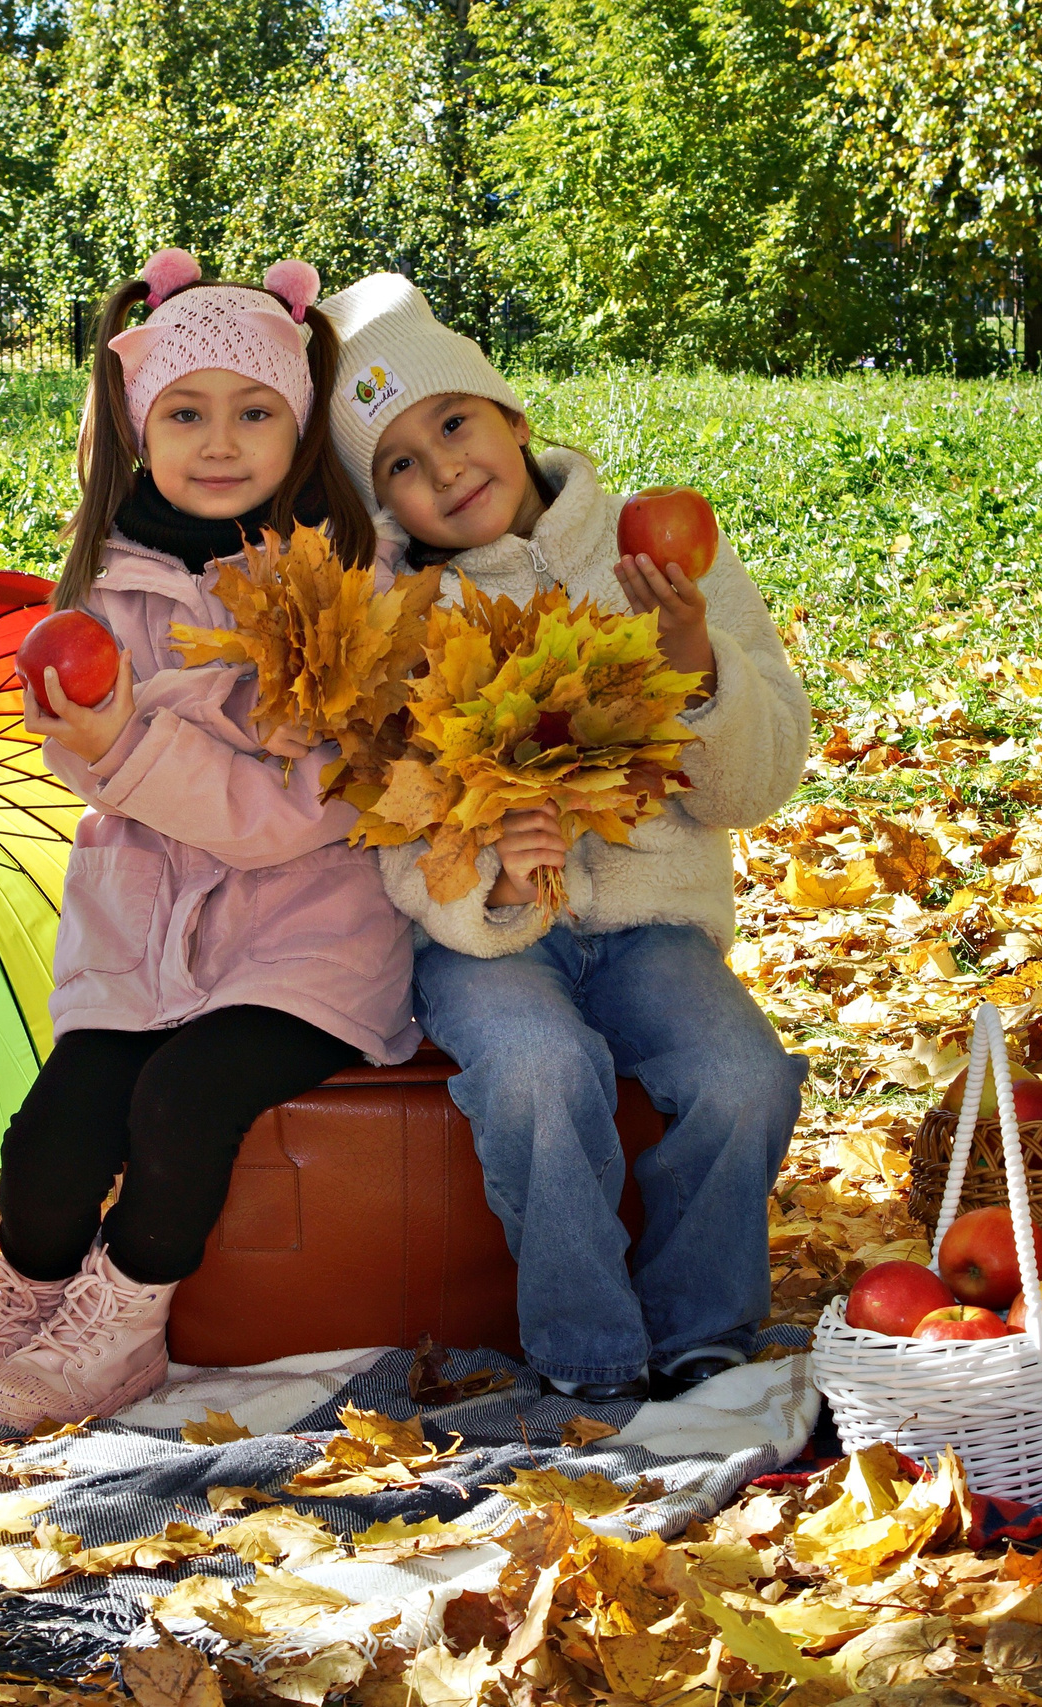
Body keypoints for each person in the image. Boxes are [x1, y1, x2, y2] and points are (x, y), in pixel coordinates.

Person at [0, 250, 415, 1429]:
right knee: (50, 1136)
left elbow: (298, 809)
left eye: (256, 413)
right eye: (185, 412)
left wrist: (131, 741)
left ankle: (124, 1320)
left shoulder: (353, 584)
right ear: (143, 427)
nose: (219, 440)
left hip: (306, 934)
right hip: (142, 931)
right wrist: (100, 728)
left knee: (185, 1102)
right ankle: (34, 1299)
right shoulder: (100, 587)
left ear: (298, 433)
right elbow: (76, 746)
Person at [320, 272, 812, 1404]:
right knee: (540, 1071)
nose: (444, 468)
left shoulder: (660, 557)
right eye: (399, 461)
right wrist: (492, 878)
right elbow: (391, 825)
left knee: (741, 1077)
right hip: (489, 943)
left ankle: (702, 1328)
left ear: (512, 416)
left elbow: (756, 783)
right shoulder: (400, 616)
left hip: (654, 928)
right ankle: (589, 1356)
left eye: (454, 423)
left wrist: (694, 664)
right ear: (383, 500)